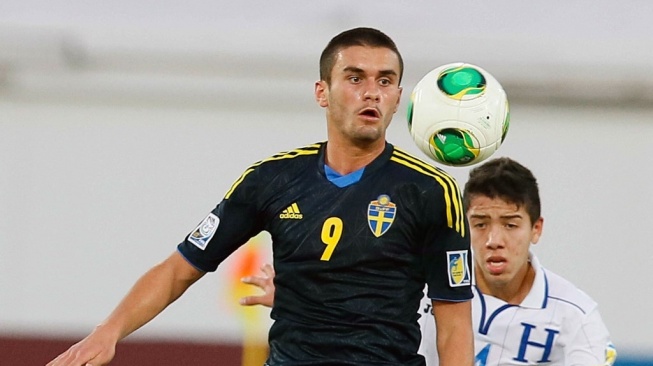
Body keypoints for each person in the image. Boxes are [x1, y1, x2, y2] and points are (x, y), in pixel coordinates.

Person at [47, 27, 474, 366]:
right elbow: (180, 268)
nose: (371, 93)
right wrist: (108, 332)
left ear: (398, 97)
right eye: (354, 77)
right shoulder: (272, 179)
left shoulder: (431, 191)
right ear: (322, 92)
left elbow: (452, 321)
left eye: (385, 81)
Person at [241, 157, 617, 365]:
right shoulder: (431, 292)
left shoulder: (575, 316)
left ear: (536, 229)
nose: (494, 240)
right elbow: (365, 316)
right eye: (480, 224)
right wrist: (302, 296)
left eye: (511, 225)